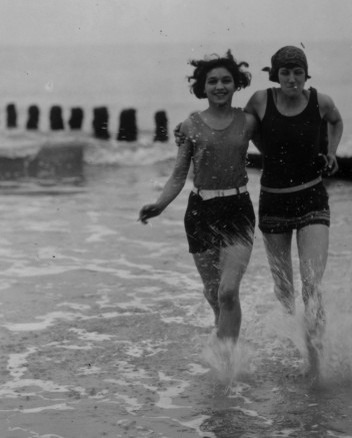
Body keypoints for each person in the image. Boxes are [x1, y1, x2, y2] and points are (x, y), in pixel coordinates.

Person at [139, 50, 258, 344]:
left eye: (226, 81)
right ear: (202, 87)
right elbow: (179, 174)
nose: (220, 86)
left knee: (228, 291)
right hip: (200, 212)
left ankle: (229, 359)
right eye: (213, 81)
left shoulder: (249, 121)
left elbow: (281, 139)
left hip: (237, 208)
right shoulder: (191, 126)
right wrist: (159, 204)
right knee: (214, 292)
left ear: (236, 84)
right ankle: (223, 335)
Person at [243, 45, 343, 379]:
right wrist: (266, 150)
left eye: (297, 71)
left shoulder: (320, 102)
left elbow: (336, 121)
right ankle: (291, 343)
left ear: (305, 73)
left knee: (311, 286)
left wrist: (331, 151)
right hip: (273, 204)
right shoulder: (260, 101)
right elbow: (247, 130)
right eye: (285, 72)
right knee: (285, 290)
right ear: (275, 75)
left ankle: (316, 364)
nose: (292, 79)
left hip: (313, 200)